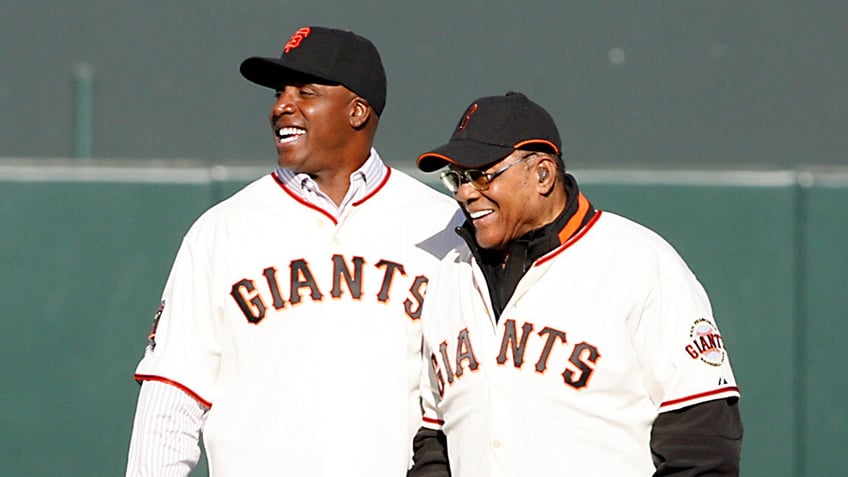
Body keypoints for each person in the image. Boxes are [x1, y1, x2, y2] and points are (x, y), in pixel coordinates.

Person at [125, 26, 462, 476]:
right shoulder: (223, 229)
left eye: (306, 91)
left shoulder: (443, 225)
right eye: (280, 92)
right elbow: (173, 396)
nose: (282, 106)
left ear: (358, 111)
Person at [407, 92, 743, 476]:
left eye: (482, 174)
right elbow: (436, 441)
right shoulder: (450, 272)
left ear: (543, 174)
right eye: (458, 178)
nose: (466, 192)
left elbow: (702, 441)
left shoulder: (639, 264)